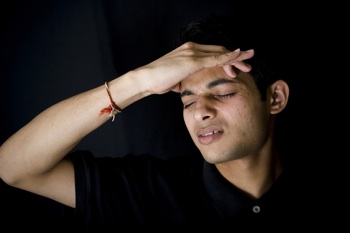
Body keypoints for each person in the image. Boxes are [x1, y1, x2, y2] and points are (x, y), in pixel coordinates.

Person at [0, 14, 305, 231]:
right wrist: (139, 82)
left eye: (223, 93)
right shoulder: (147, 192)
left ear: (276, 98)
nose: (200, 112)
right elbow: (13, 167)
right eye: (187, 101)